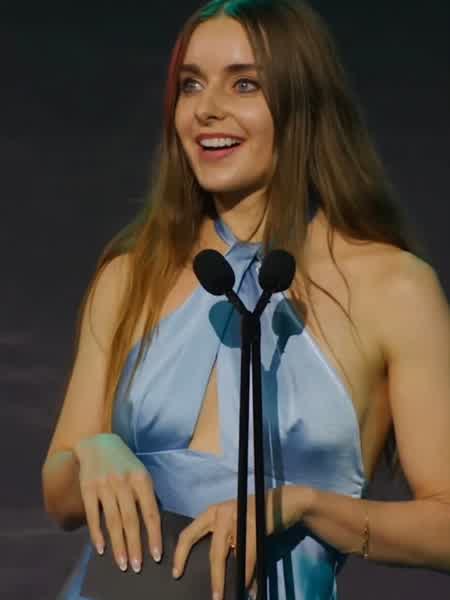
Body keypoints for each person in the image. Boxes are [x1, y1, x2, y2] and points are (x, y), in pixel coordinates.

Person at [41, 1, 450, 599]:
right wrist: (94, 452)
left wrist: (303, 505)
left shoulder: (394, 289)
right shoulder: (131, 276)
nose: (207, 108)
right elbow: (59, 495)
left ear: (303, 103)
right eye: (191, 85)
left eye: (244, 84)